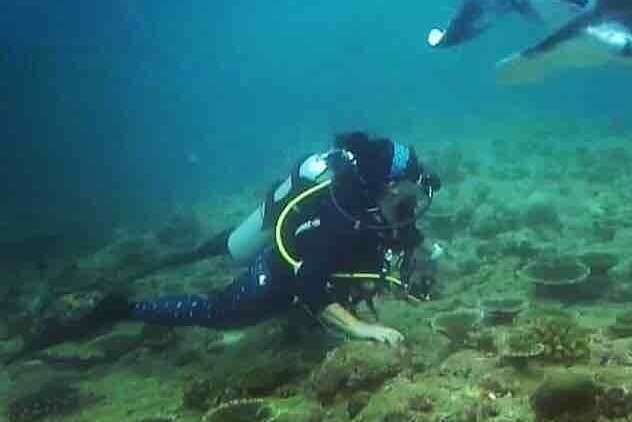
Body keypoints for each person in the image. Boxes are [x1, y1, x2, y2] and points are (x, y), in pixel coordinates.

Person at [9, 132, 442, 360]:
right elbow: (311, 285)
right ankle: (122, 310)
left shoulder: (383, 206)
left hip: (318, 267)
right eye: (410, 188)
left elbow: (403, 235)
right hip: (281, 273)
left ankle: (209, 249)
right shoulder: (337, 218)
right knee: (220, 313)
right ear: (386, 188)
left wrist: (423, 259)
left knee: (236, 257)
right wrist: (363, 329)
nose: (417, 198)